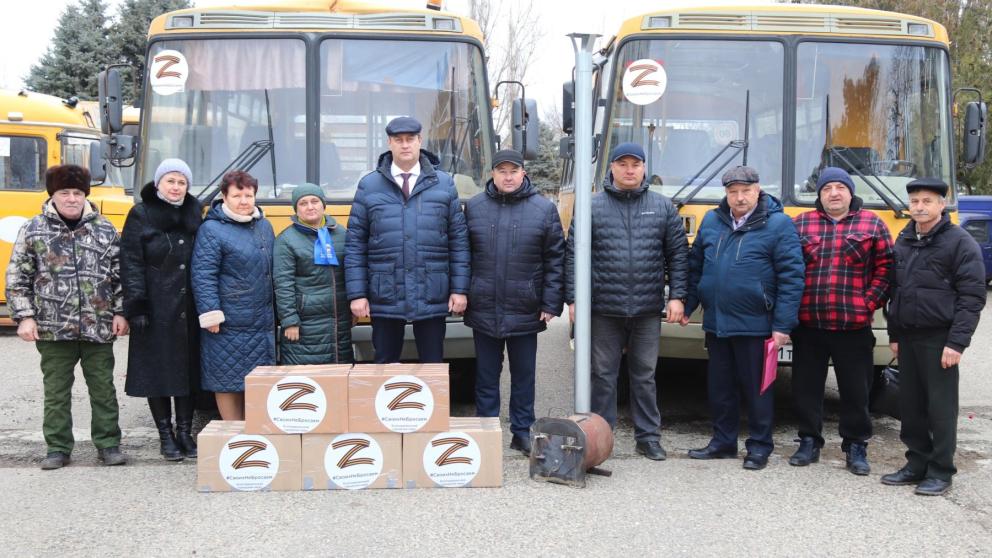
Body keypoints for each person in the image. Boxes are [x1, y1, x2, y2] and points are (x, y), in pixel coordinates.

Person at [564, 142, 689, 461]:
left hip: (647, 309)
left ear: (645, 168)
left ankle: (648, 437)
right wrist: (574, 299)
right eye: (623, 164)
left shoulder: (663, 207)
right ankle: (602, 438)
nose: (629, 170)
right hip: (604, 308)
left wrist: (677, 296)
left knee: (644, 376)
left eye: (635, 164)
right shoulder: (591, 206)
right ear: (612, 168)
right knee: (604, 376)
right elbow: (573, 255)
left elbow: (678, 256)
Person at [5, 164, 129, 469]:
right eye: (64, 192)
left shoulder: (105, 229)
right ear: (53, 195)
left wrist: (121, 311)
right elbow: (17, 276)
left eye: (77, 192)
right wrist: (25, 317)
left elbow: (121, 274)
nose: (72, 198)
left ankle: (109, 444)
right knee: (56, 391)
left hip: (97, 327)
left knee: (103, 388)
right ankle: (58, 447)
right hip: (52, 328)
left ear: (85, 195)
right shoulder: (33, 229)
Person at [683, 165, 804, 470]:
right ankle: (723, 442)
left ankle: (759, 447)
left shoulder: (779, 225)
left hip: (757, 324)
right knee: (720, 389)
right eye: (733, 192)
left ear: (758, 190)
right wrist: (687, 306)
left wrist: (782, 325)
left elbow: (792, 277)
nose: (739, 198)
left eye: (745, 191)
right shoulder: (712, 221)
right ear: (726, 193)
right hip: (718, 322)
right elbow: (696, 265)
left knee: (757, 390)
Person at [881, 178, 986, 496]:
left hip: (940, 339)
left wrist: (957, 343)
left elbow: (972, 297)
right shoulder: (905, 239)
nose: (920, 207)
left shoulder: (959, 242)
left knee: (939, 409)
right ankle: (916, 464)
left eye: (927, 201)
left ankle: (941, 471)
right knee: (911, 406)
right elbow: (895, 291)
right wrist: (895, 334)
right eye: (914, 201)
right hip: (908, 338)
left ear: (942, 204)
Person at [789, 167, 894, 475]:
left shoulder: (873, 224)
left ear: (850, 192)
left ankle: (856, 446)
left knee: (855, 391)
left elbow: (887, 269)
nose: (833, 193)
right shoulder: (800, 224)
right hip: (809, 325)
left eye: (839, 187)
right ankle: (809, 441)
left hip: (854, 326)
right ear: (819, 195)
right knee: (806, 389)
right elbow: (786, 268)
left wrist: (868, 303)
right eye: (826, 189)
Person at [344, 116, 470, 363]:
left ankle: (431, 404)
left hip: (432, 290)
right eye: (398, 140)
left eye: (410, 139)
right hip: (384, 292)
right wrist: (357, 294)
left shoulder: (443, 184)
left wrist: (459, 289)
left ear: (419, 141)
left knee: (433, 364)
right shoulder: (369, 186)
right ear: (389, 143)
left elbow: (458, 242)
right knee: (383, 365)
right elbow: (356, 245)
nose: (405, 145)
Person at [464, 149, 564, 456]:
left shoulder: (543, 209)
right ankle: (486, 429)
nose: (508, 176)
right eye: (502, 171)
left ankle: (522, 431)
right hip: (483, 304)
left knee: (524, 375)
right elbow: (462, 254)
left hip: (525, 305)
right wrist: (463, 291)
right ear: (493, 174)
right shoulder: (474, 207)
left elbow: (556, 258)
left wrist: (550, 302)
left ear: (524, 173)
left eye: (513, 170)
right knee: (486, 374)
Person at [120, 159, 203, 461]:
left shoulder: (195, 213)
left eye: (182, 182)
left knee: (187, 372)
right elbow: (130, 261)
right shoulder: (141, 214)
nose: (176, 187)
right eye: (170, 181)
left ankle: (185, 433)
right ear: (158, 184)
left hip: (190, 308)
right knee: (158, 373)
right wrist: (136, 306)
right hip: (155, 309)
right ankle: (165, 436)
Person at [191, 170, 275, 420]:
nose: (244, 201)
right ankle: (231, 429)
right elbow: (203, 274)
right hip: (228, 320)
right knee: (226, 378)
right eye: (237, 195)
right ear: (224, 197)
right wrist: (211, 313)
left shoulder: (264, 225)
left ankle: (253, 429)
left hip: (261, 319)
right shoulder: (212, 230)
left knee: (257, 379)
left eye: (249, 195)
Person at [273, 183, 353, 365]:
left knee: (338, 379)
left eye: (315, 201)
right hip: (305, 323)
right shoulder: (286, 240)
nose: (310, 207)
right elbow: (283, 283)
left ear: (323, 205)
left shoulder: (341, 233)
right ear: (296, 209)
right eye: (303, 203)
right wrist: (289, 320)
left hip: (338, 322)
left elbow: (351, 272)